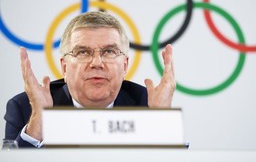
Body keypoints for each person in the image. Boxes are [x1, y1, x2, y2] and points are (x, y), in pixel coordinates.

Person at [3, 11, 176, 148]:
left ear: (124, 66)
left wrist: (162, 122)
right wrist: (39, 124)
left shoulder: (147, 107)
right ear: (64, 67)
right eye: (83, 52)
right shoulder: (26, 108)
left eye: (109, 51)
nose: (97, 63)